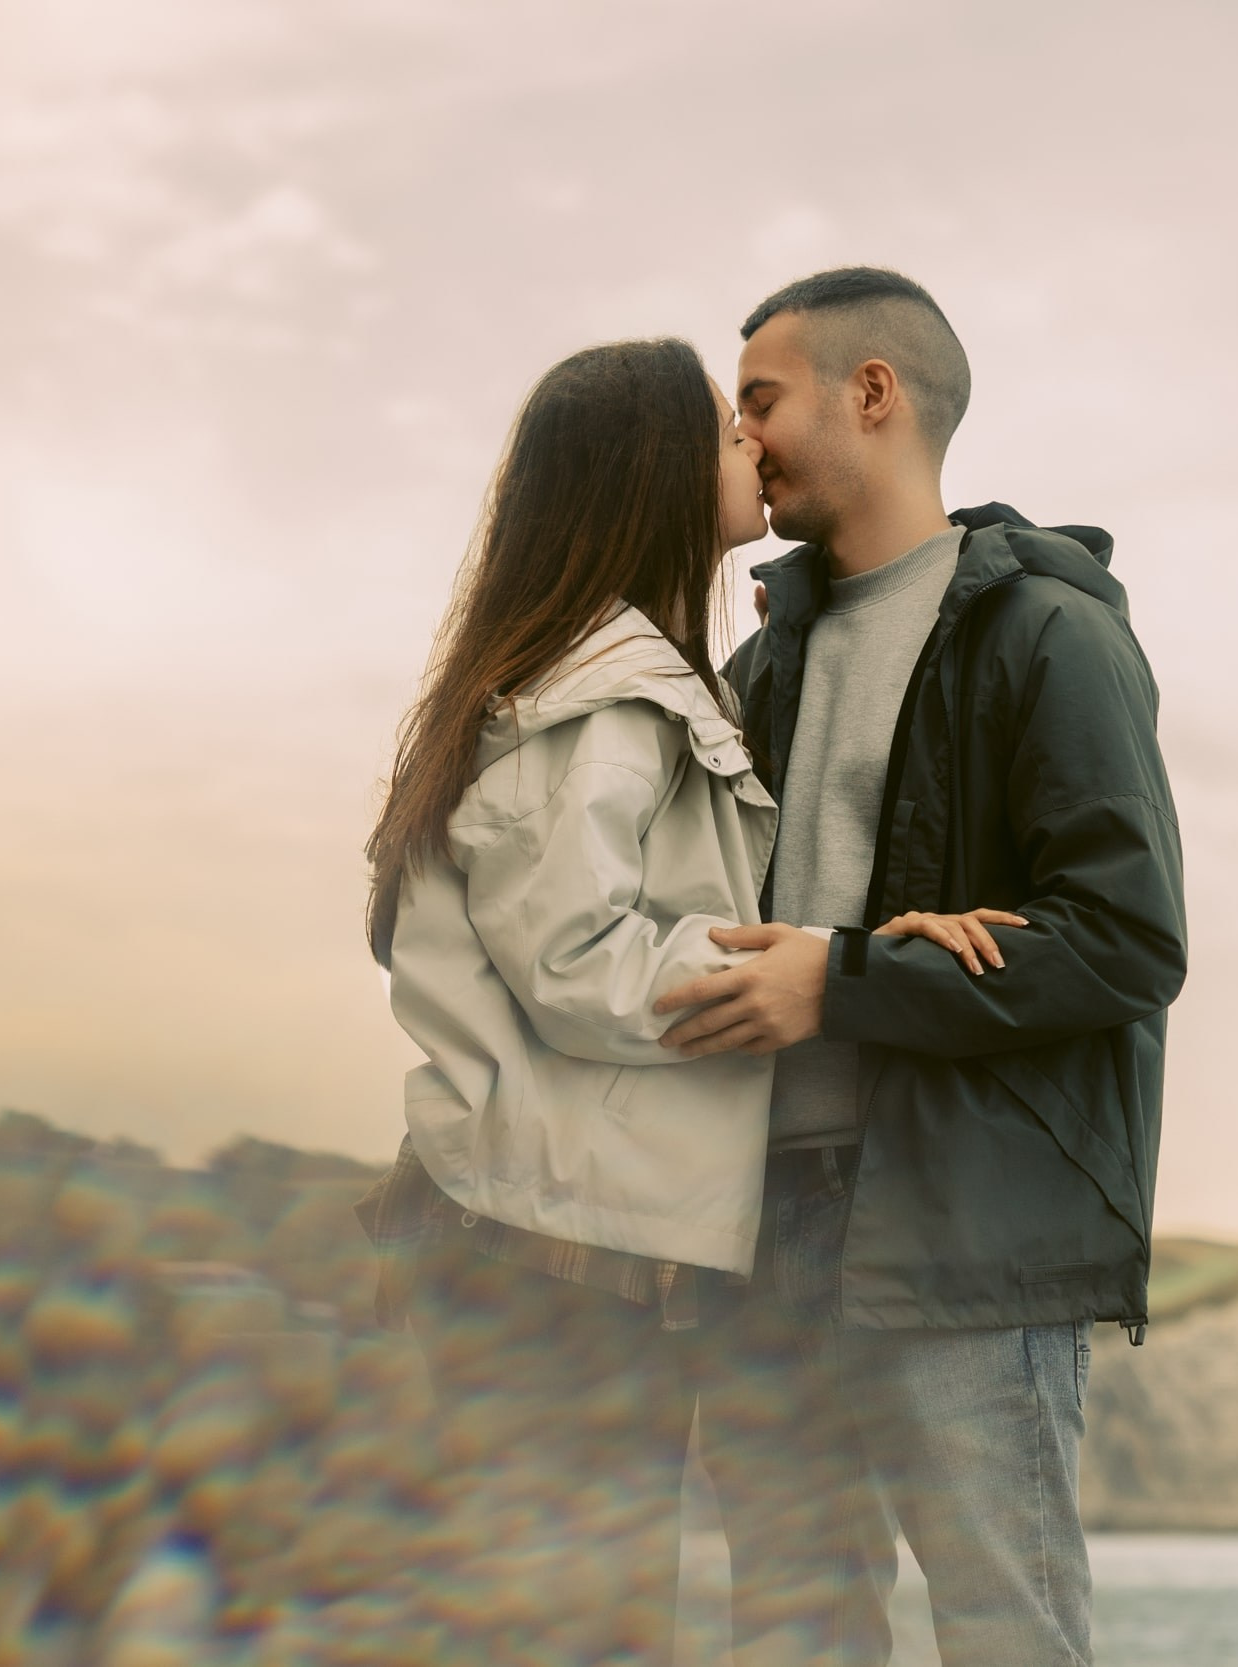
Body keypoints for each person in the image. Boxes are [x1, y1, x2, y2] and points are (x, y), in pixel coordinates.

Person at [353, 337, 994, 1662]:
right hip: (544, 1265)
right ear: (650, 475)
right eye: (721, 428)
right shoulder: (604, 702)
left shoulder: (599, 677)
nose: (750, 443)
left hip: (550, 1250)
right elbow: (577, 959)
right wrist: (821, 968)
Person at [654, 269, 1188, 1666]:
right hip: (761, 1227)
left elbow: (1129, 939)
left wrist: (840, 981)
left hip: (962, 1236)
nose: (740, 436)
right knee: (792, 1636)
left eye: (761, 399)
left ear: (873, 393)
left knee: (1008, 1633)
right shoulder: (761, 665)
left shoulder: (1051, 634)